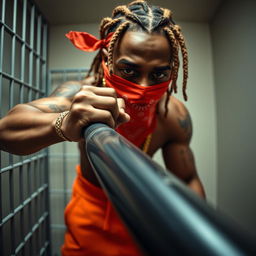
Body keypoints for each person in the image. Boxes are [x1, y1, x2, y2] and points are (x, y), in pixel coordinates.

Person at [0, 0, 205, 255]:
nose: (142, 87)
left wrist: (193, 233)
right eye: (129, 70)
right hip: (89, 219)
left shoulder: (173, 115)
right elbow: (5, 130)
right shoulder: (80, 94)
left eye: (158, 74)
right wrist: (65, 122)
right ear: (108, 58)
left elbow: (188, 179)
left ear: (172, 69)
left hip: (145, 220)